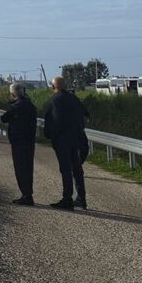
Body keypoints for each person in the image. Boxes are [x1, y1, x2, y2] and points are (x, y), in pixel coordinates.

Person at [43, 76, 88, 210]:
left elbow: (55, 120)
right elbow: (84, 114)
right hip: (76, 138)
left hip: (63, 140)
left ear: (53, 87)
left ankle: (67, 199)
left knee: (66, 170)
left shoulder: (56, 100)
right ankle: (81, 198)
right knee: (77, 169)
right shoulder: (74, 98)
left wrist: (51, 136)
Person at [0, 82, 38, 206]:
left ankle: (26, 195)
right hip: (30, 140)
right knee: (28, 167)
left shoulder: (15, 107)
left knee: (20, 169)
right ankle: (28, 194)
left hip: (18, 141)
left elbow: (3, 118)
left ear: (13, 93)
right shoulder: (31, 105)